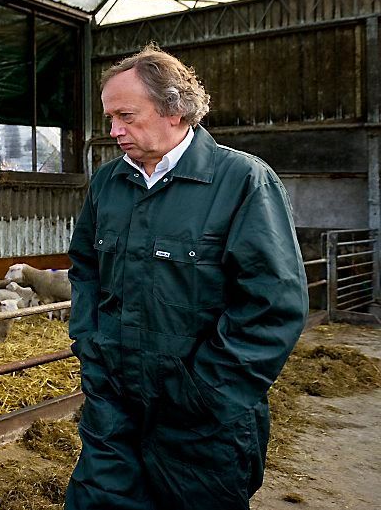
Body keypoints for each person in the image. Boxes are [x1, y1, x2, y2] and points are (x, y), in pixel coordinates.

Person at [65, 43, 308, 510]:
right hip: (114, 407)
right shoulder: (108, 184)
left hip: (205, 424)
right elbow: (86, 271)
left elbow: (273, 305)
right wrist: (92, 351)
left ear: (175, 110)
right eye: (110, 118)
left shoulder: (241, 181)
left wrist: (204, 393)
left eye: (127, 116)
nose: (114, 131)